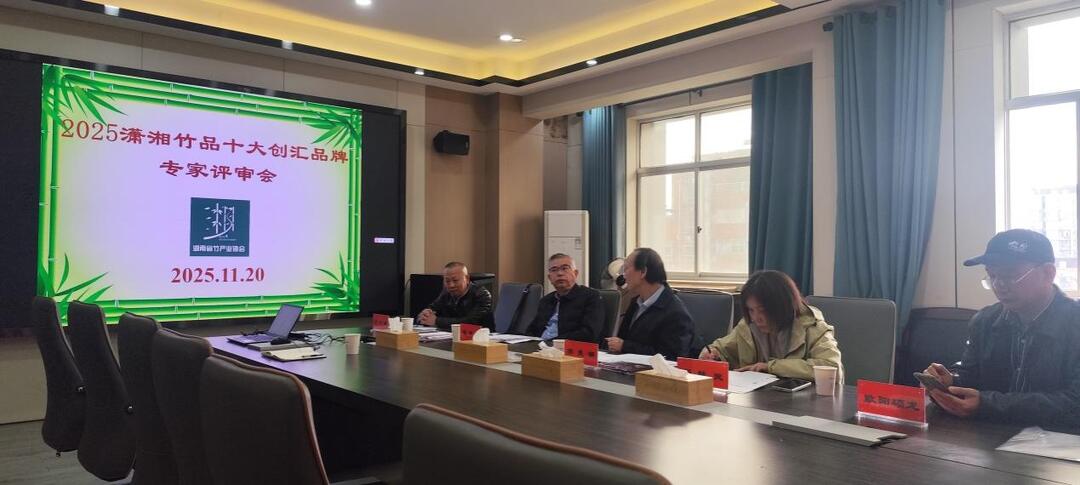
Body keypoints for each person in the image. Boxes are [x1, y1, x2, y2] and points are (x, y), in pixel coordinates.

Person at [924, 229, 1080, 430]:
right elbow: (973, 376)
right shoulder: (985, 321)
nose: (999, 285)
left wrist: (987, 404)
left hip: (1062, 440)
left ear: (1048, 273)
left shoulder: (1074, 323)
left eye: (1010, 276)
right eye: (992, 276)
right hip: (993, 436)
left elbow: (1075, 402)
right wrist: (950, 381)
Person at [699, 270, 842, 381]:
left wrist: (771, 367)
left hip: (805, 403)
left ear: (782, 306)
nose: (756, 318)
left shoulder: (812, 326)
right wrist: (712, 354)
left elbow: (831, 367)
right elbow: (721, 349)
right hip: (759, 400)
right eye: (751, 310)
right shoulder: (748, 327)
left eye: (762, 310)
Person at [605, 248, 695, 360]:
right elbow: (622, 340)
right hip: (626, 365)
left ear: (643, 272)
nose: (623, 275)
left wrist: (625, 346)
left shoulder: (676, 313)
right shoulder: (636, 302)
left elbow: (671, 357)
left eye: (626, 268)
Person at [525, 253, 605, 343]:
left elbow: (589, 333)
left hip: (567, 348)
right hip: (540, 347)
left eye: (565, 268)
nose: (560, 273)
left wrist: (552, 342)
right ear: (549, 278)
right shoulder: (546, 300)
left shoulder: (591, 297)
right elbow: (532, 330)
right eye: (554, 270)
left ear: (575, 273)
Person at [417, 262, 494, 330]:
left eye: (455, 280)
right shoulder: (446, 293)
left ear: (467, 279)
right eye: (447, 281)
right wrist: (425, 314)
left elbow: (470, 322)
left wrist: (437, 321)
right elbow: (433, 308)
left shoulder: (482, 295)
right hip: (450, 336)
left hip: (480, 338)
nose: (451, 285)